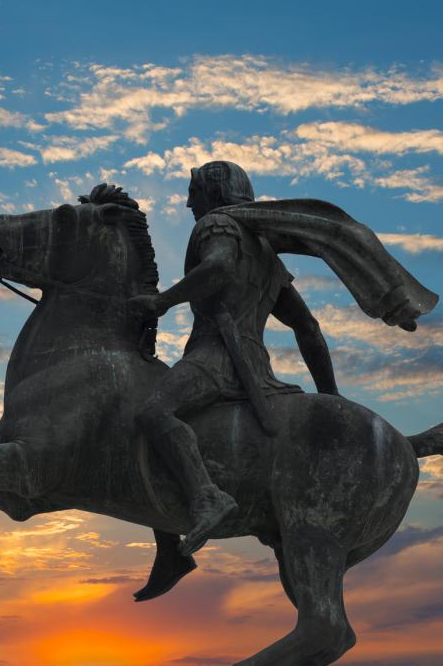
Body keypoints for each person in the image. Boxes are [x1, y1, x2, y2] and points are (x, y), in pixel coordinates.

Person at [128, 162, 339, 600]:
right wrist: (330, 395)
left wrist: (163, 301)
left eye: (193, 192)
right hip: (258, 372)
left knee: (151, 412)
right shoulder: (265, 252)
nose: (188, 203)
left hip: (216, 359)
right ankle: (169, 550)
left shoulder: (217, 224)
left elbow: (219, 268)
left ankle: (207, 497)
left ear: (214, 191)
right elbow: (308, 328)